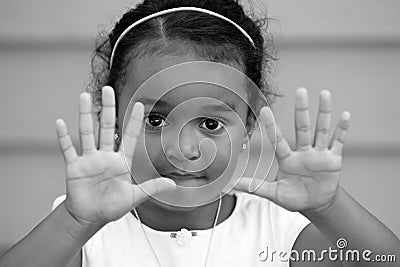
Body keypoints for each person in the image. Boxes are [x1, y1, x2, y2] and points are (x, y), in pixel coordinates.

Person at [1, 0, 399, 266]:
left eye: (210, 124)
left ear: (248, 127)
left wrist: (328, 207)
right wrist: (74, 221)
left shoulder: (279, 229)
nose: (183, 150)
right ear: (116, 122)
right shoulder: (84, 227)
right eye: (155, 120)